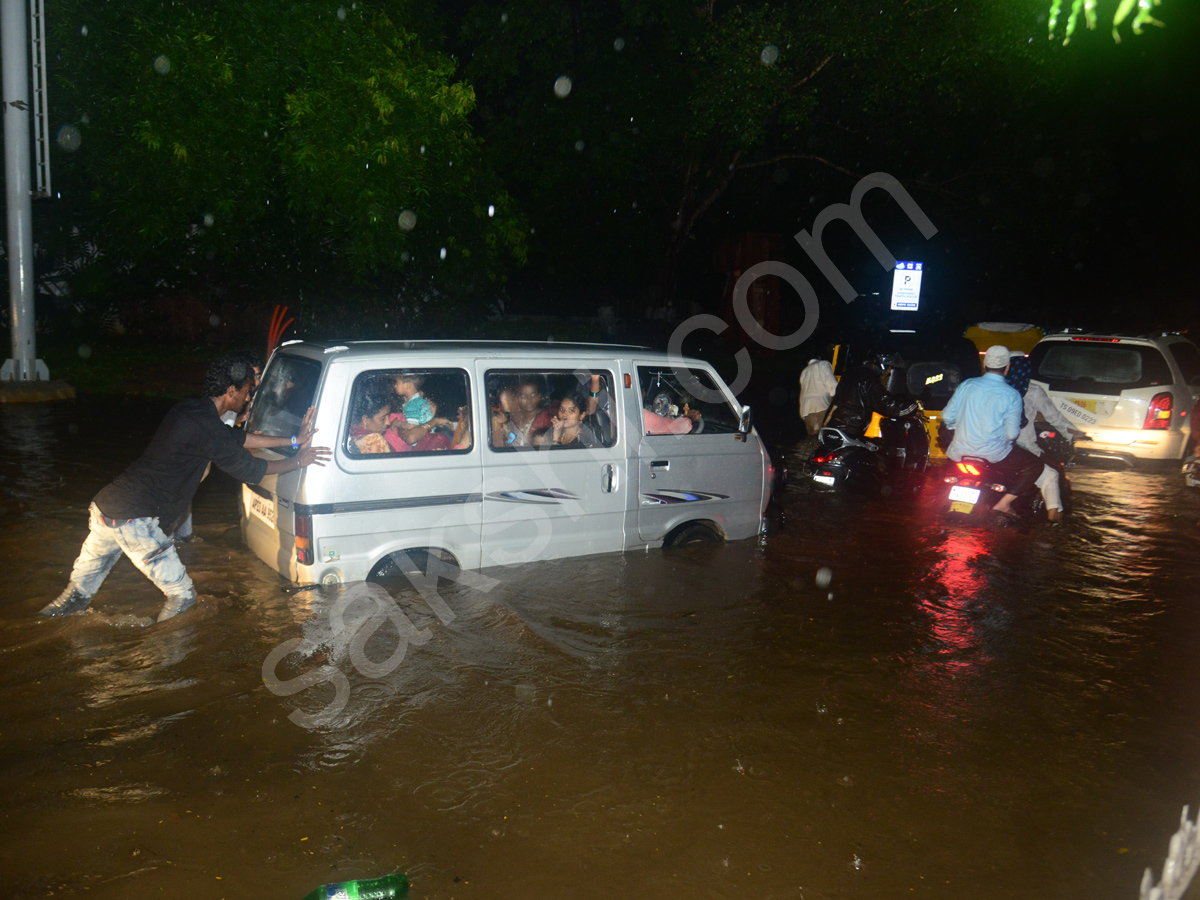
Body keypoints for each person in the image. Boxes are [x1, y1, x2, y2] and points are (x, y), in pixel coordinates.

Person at [40, 355, 332, 623]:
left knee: (76, 596)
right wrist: (298, 461)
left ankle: (40, 626)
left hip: (107, 508)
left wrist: (293, 441)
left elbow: (233, 438)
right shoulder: (207, 429)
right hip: (134, 520)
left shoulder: (190, 411)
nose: (248, 398)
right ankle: (159, 666)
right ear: (231, 391)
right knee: (183, 598)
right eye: (247, 391)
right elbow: (252, 470)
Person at [940, 344, 1044, 520]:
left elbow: (947, 416)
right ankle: (1004, 504)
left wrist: (955, 428)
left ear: (984, 364)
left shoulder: (967, 385)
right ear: (1007, 368)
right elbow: (1011, 434)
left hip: (959, 453)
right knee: (1035, 465)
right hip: (993, 455)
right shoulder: (1011, 394)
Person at [1004, 355, 1083, 523]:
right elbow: (1054, 417)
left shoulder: (993, 390)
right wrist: (1072, 432)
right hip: (1020, 447)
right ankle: (1054, 521)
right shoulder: (1031, 391)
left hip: (980, 447)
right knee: (1051, 475)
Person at [824, 351, 919, 438]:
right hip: (850, 430)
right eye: (889, 367)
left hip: (833, 427)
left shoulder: (852, 373)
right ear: (882, 365)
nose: (889, 372)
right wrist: (913, 407)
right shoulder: (869, 379)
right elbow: (888, 405)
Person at [535, 390, 608, 448]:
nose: (565, 414)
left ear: (582, 415)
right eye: (562, 409)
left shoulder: (584, 441)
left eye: (571, 410)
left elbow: (557, 463)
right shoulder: (554, 432)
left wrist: (556, 439)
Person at [799, 356, 837, 436]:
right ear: (819, 358)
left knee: (812, 437)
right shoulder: (824, 364)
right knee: (824, 435)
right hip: (821, 405)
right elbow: (832, 385)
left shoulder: (805, 370)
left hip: (806, 408)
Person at [349, 387, 393, 454]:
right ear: (365, 420)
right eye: (383, 419)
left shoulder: (349, 434)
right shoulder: (375, 440)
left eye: (388, 417)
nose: (388, 423)